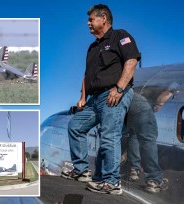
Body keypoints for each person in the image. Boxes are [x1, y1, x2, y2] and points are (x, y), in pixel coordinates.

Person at [61, 4, 140, 195]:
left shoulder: (119, 36)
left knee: (109, 135)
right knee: (75, 126)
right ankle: (81, 171)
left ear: (103, 19)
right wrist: (82, 97)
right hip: (95, 99)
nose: (88, 23)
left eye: (91, 20)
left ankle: (112, 182)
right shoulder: (92, 47)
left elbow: (131, 60)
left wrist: (119, 88)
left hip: (114, 94)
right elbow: (86, 75)